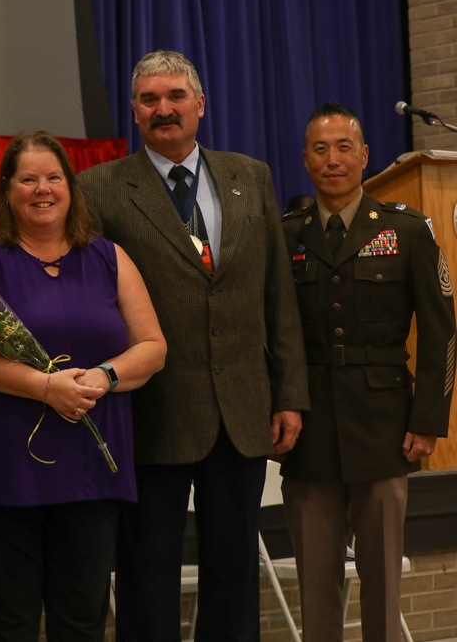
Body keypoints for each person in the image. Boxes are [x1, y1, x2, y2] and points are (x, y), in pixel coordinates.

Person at [76, 50, 309, 641]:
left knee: (234, 571)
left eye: (176, 96)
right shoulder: (99, 188)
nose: (164, 109)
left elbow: (276, 294)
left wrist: (289, 395)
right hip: (150, 412)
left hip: (242, 409)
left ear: (200, 105)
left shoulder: (249, 175)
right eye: (150, 100)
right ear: (134, 111)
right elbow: (90, 305)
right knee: (146, 571)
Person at [0, 131, 167, 641]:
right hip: (2, 469)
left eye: (53, 178)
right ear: (7, 188)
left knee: (82, 621)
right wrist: (44, 387)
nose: (42, 189)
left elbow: (153, 347)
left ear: (71, 187)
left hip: (90, 466)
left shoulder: (109, 256)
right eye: (28, 179)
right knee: (8, 625)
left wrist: (105, 377)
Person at [280, 102, 455, 642]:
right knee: (316, 582)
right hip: (308, 426)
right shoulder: (285, 236)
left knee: (382, 582)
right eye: (320, 149)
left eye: (344, 148)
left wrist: (428, 418)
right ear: (305, 159)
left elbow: (441, 330)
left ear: (365, 156)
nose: (333, 160)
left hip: (385, 423)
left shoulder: (407, 230)